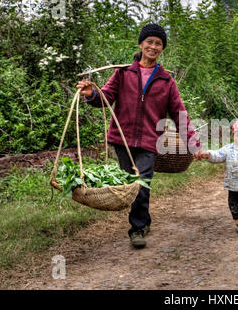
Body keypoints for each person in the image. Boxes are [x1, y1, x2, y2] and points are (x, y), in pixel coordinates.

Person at [77, 24, 201, 249]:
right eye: (150, 42)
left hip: (149, 140)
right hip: (122, 138)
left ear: (162, 48)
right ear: (141, 44)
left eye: (158, 43)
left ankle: (138, 228)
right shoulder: (124, 72)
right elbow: (105, 97)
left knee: (141, 184)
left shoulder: (166, 80)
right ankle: (143, 219)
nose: (153, 47)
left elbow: (179, 113)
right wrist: (92, 94)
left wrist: (193, 143)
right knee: (128, 183)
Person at [197, 119, 238, 233]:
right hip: (232, 185)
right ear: (233, 136)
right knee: (234, 203)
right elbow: (218, 155)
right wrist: (208, 154)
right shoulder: (228, 149)